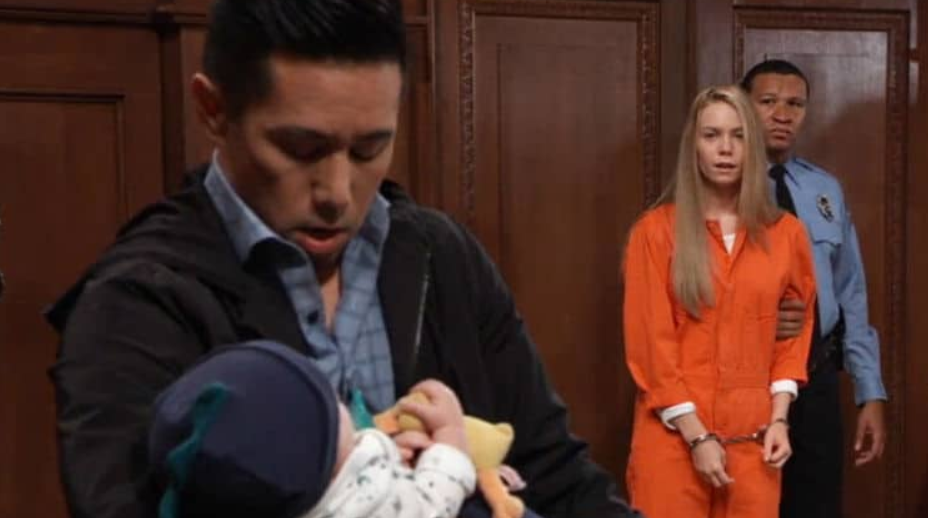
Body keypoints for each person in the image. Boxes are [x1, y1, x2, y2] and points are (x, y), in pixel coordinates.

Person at [45, 1, 637, 517]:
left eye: (369, 149)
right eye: (301, 149)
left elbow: (558, 477)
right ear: (213, 109)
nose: (336, 193)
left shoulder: (444, 257)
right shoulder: (134, 303)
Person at [622, 85, 818, 518]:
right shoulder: (655, 233)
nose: (725, 149)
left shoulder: (787, 234)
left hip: (756, 440)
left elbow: (793, 335)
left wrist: (780, 418)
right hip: (672, 440)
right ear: (693, 146)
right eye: (711, 135)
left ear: (753, 146)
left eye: (738, 136)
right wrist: (696, 436)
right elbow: (651, 346)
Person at [740, 59, 888, 518]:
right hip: (745, 378)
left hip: (816, 376)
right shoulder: (722, 186)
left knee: (818, 505)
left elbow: (851, 293)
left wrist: (869, 390)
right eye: (768, 102)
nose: (782, 115)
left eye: (795, 104)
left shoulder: (824, 190)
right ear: (743, 105)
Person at [147, 340, 476, 518]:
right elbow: (433, 503)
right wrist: (450, 441)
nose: (342, 404)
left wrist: (388, 456)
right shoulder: (360, 506)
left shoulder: (278, 494)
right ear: (328, 471)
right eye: (332, 403)